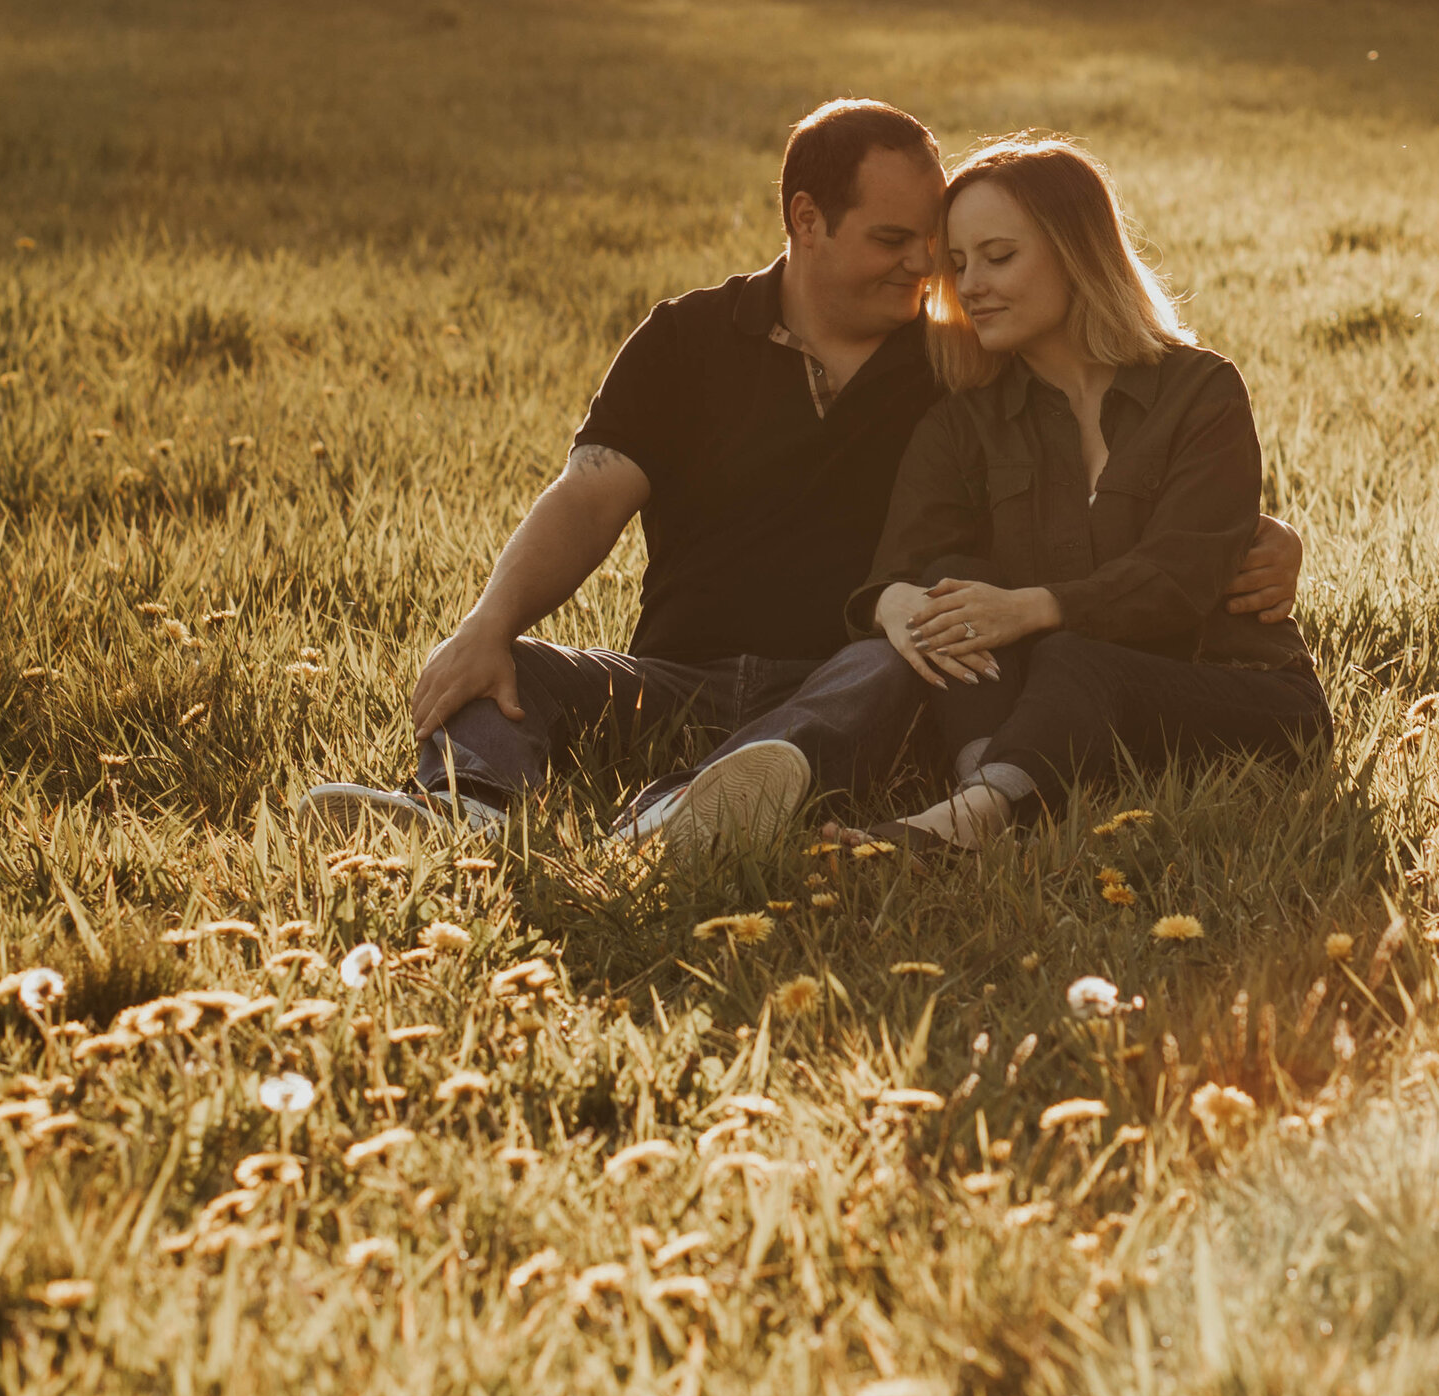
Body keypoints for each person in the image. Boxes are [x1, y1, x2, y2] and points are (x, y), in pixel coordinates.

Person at [301, 98, 1302, 860]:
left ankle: (689, 808)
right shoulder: (690, 340)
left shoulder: (953, 357)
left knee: (900, 644)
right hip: (680, 672)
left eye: (939, 247)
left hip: (857, 680)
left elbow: (1104, 423)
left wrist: (1259, 538)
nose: (928, 271)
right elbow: (588, 496)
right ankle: (464, 813)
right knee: (515, 662)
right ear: (807, 219)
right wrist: (486, 625)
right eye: (897, 241)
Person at [852, 135, 1330, 849]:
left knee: (1073, 654)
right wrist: (894, 602)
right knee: (956, 589)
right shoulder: (962, 423)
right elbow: (900, 569)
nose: (971, 283)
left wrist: (1033, 609)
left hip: (1232, 691)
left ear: (1076, 251)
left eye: (999, 256)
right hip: (1058, 710)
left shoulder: (1200, 391)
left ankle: (979, 809)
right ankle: (991, 801)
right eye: (958, 264)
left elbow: (1180, 578)